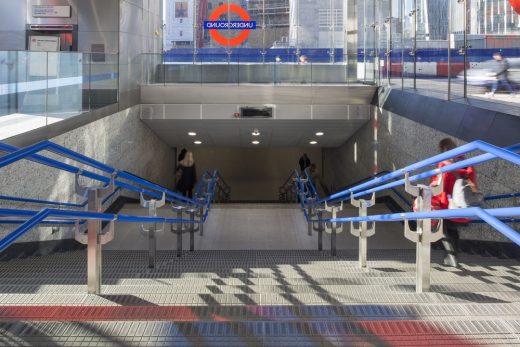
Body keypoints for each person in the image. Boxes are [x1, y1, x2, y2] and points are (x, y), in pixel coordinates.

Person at [430, 138, 477, 267]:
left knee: (442, 229)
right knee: (453, 231)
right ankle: (453, 256)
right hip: (462, 204)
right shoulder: (465, 161)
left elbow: (438, 184)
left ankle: (450, 256)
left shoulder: (444, 164)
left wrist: (433, 199)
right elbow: (471, 179)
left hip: (448, 203)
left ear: (444, 149)